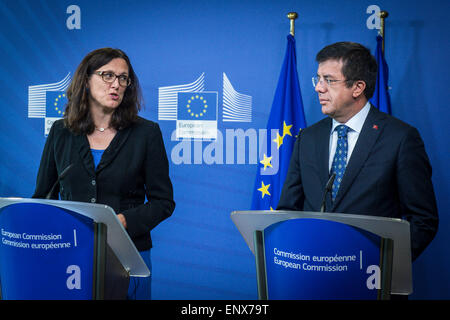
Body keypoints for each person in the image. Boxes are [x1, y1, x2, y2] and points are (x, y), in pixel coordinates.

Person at [32, 48, 175, 299]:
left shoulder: (147, 133)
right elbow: (43, 197)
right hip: (71, 252)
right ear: (86, 81)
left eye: (123, 78)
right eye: (107, 75)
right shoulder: (60, 132)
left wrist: (122, 221)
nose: (116, 85)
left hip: (129, 254)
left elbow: (163, 202)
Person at [277, 42, 438, 262]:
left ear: (358, 87)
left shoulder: (400, 138)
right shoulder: (308, 138)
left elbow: (422, 219)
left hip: (372, 281)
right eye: (318, 78)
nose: (318, 88)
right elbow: (288, 210)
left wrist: (384, 264)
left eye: (329, 80)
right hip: (312, 275)